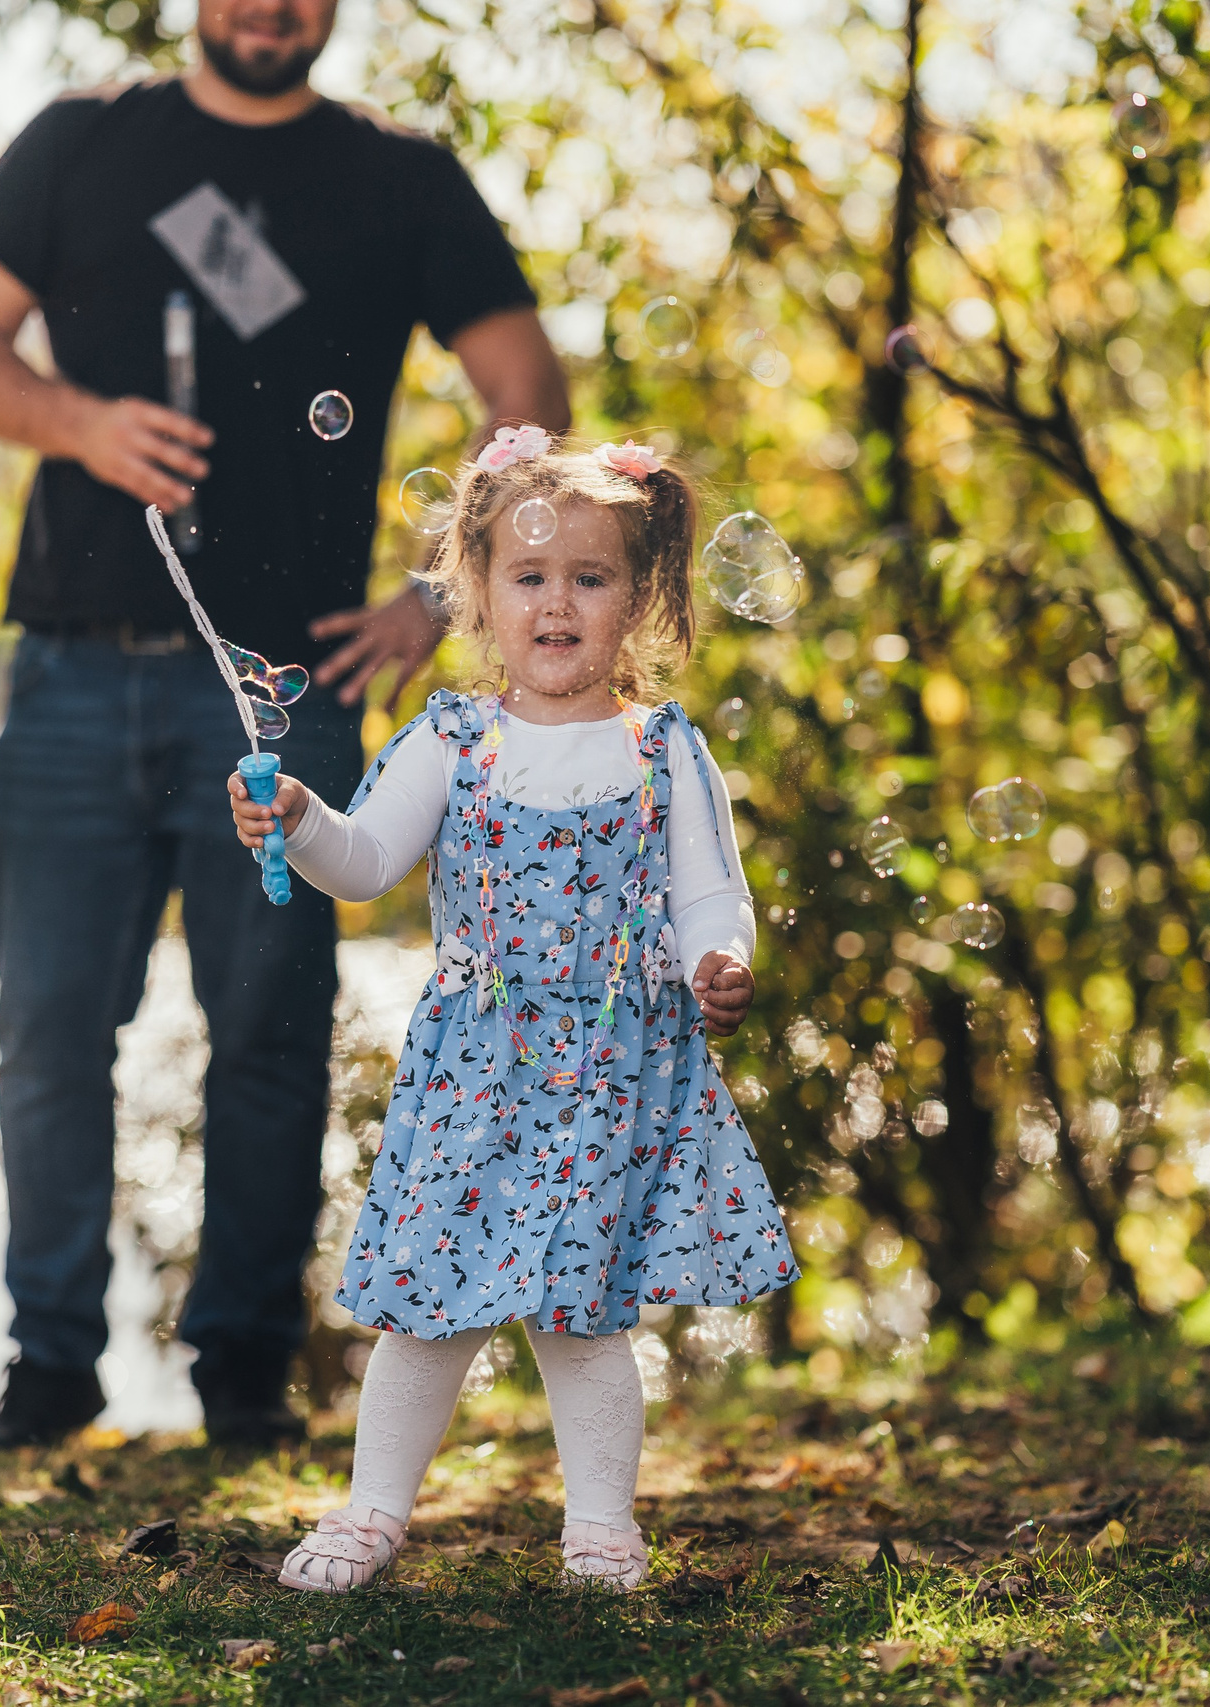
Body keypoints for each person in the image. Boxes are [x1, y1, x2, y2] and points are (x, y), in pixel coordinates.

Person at [0, 0, 570, 1451]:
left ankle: (246, 1382)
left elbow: (527, 393)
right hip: (72, 676)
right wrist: (79, 422)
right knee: (45, 1033)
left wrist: (435, 592)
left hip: (284, 689)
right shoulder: (81, 142)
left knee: (270, 1033)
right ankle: (48, 1376)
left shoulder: (401, 178)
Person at [225, 432, 797, 1590]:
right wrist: (295, 816)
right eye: (528, 578)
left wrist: (718, 961)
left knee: (583, 1319)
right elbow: (365, 857)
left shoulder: (662, 751)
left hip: (608, 1071)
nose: (557, 603)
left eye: (589, 579)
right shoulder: (450, 741)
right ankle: (372, 1514)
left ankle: (599, 1527)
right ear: (477, 596)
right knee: (429, 1313)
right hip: (477, 1073)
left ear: (638, 599)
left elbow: (706, 893)